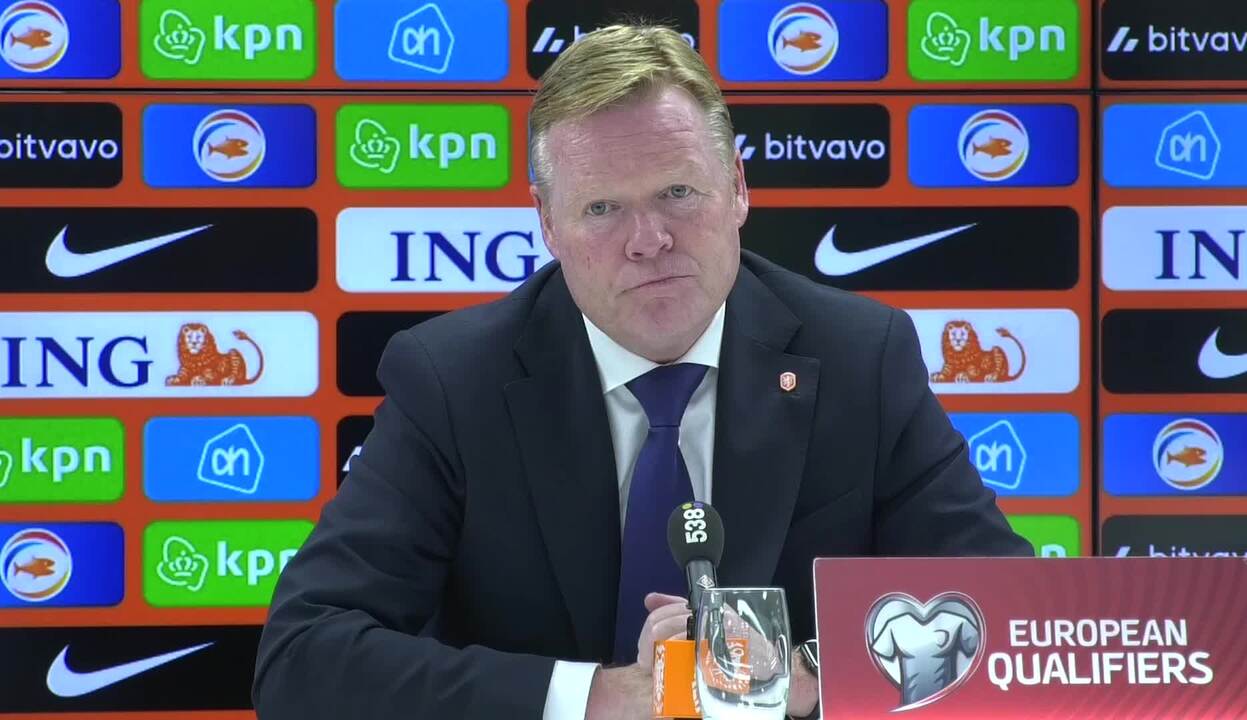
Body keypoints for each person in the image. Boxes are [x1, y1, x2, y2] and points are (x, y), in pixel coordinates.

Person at [252, 22, 1033, 720]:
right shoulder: (453, 382)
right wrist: (597, 699)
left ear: (737, 189)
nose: (648, 239)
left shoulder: (861, 357)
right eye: (602, 209)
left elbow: (1014, 621)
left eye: (677, 192)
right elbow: (302, 658)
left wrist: (812, 675)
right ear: (547, 223)